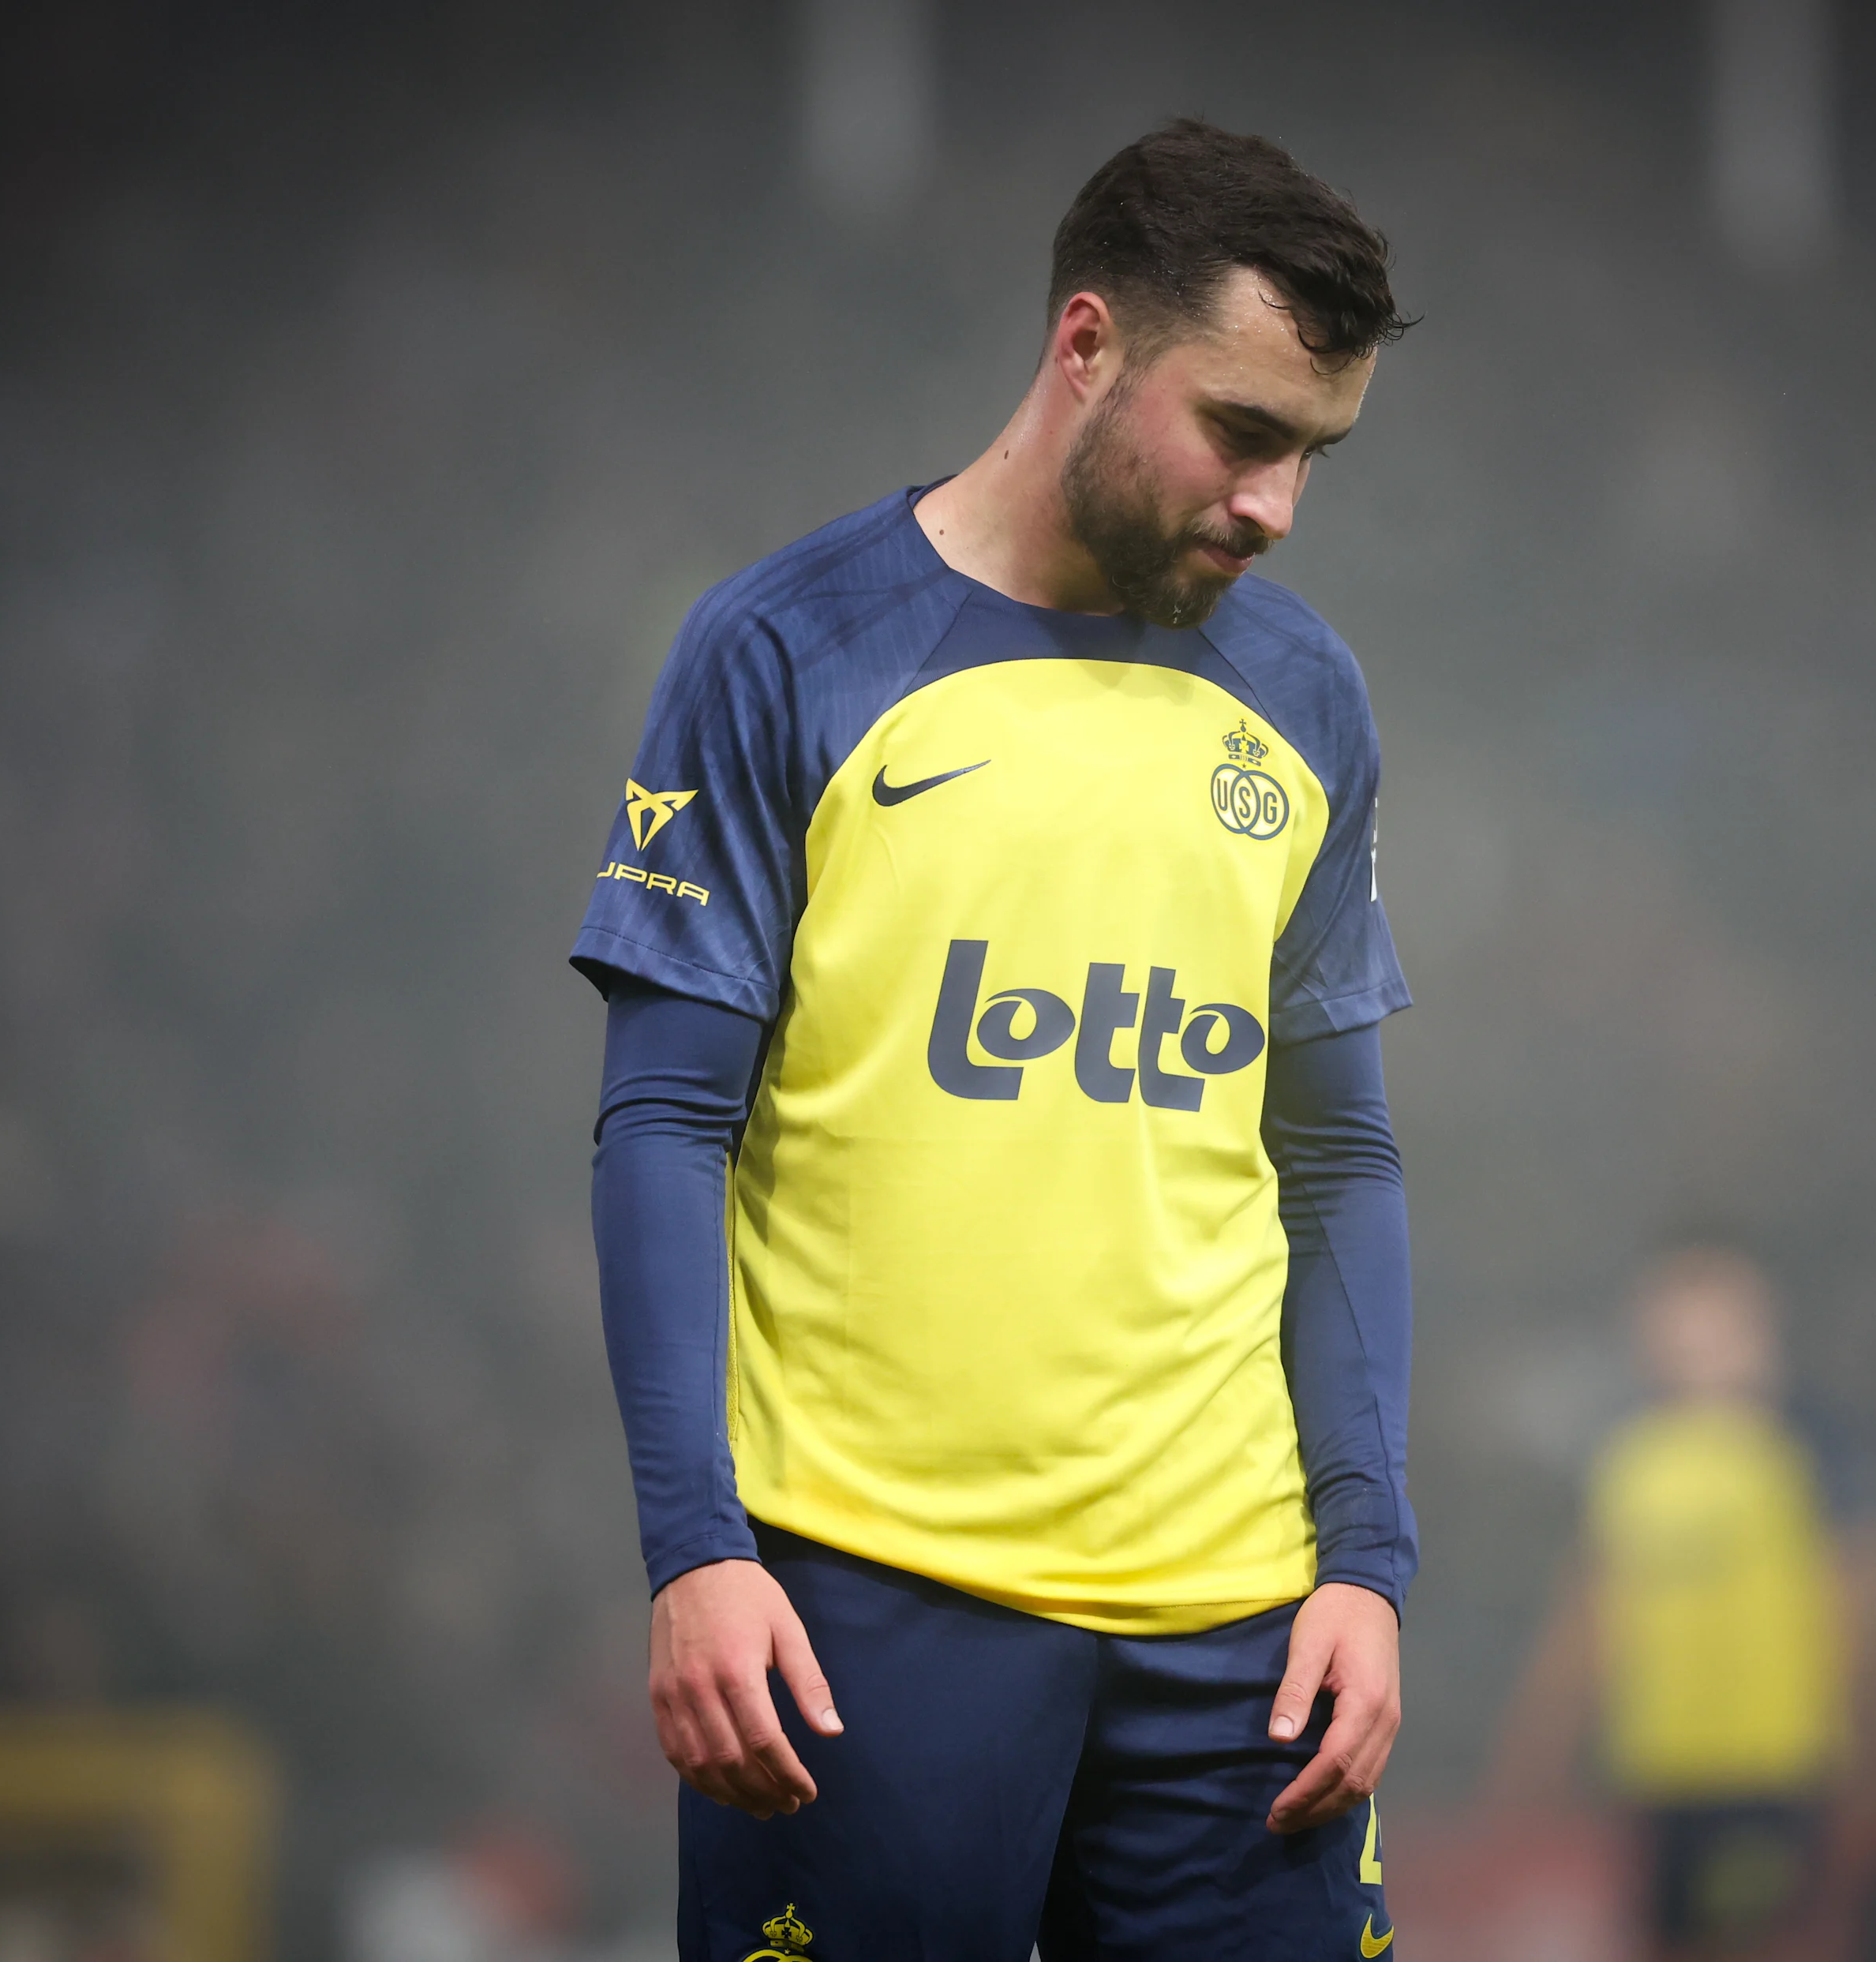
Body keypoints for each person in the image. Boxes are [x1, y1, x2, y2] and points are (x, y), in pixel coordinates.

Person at [571, 121, 1418, 1960]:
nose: (1275, 506)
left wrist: (1363, 1562)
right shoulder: (788, 651)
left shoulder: (1304, 698)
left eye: (1314, 456)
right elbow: (660, 1129)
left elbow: (1334, 1155)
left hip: (1243, 1651)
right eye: (1246, 433)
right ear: (1089, 346)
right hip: (866, 1618)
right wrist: (695, 1547)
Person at [1481, 1249, 1876, 1962]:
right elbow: (1589, 1619)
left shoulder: (1809, 1449)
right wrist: (1532, 1761)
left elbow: (1863, 1615)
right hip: (1661, 1773)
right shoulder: (1631, 1457)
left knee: (1768, 1941)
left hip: (1772, 1768)